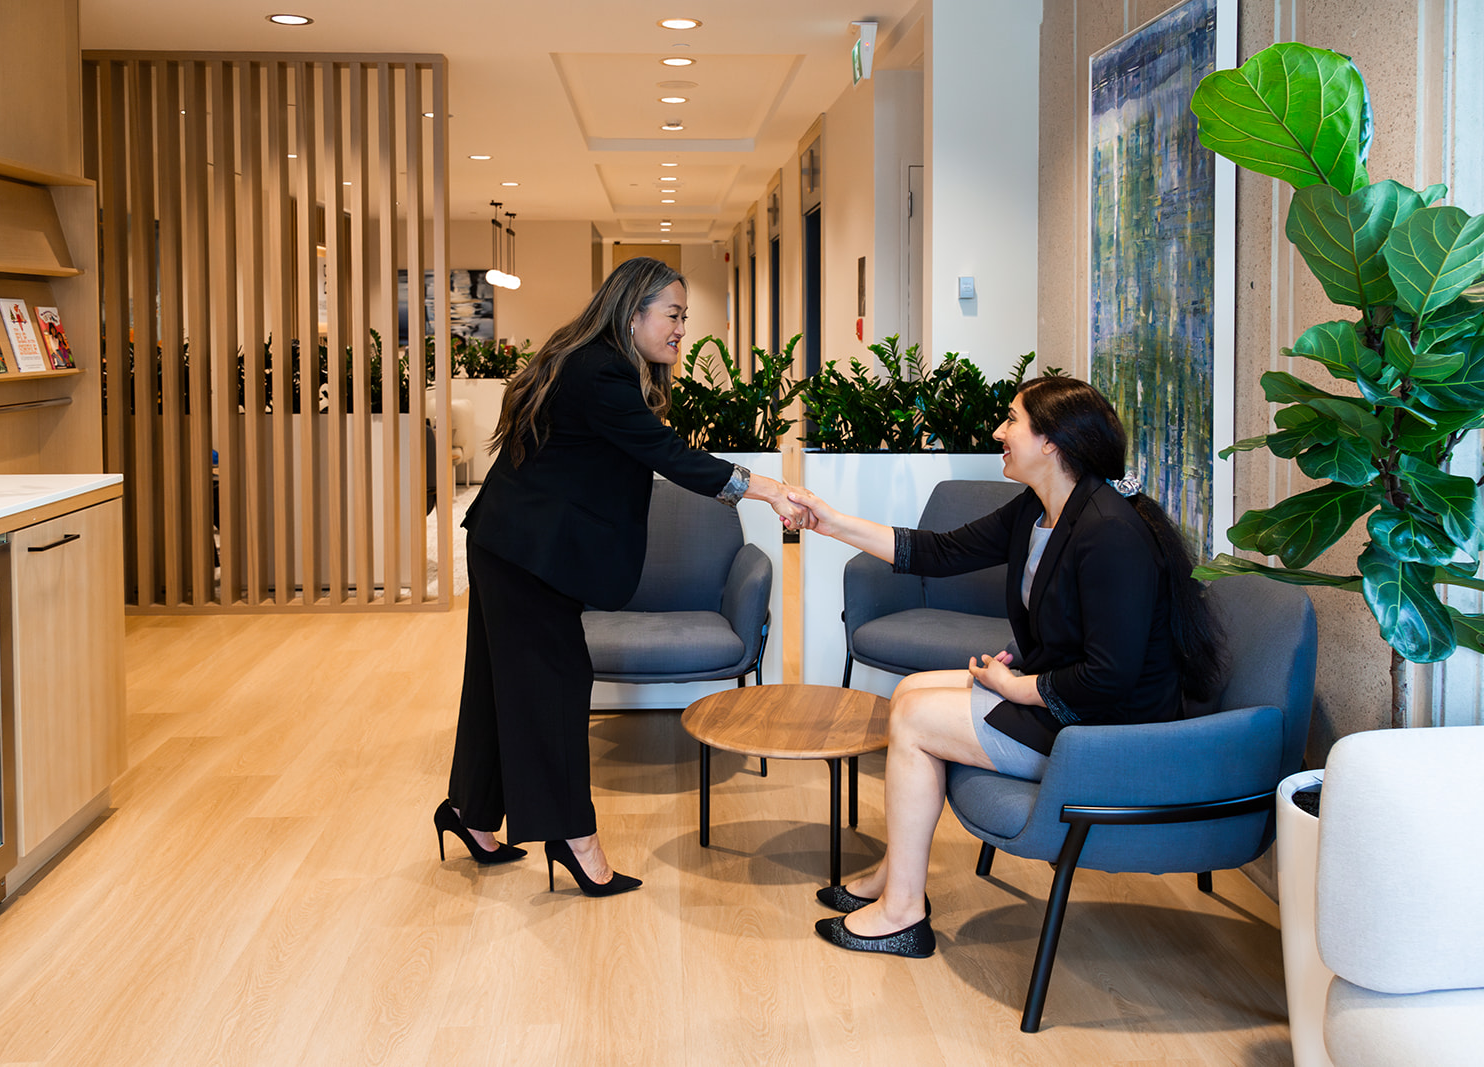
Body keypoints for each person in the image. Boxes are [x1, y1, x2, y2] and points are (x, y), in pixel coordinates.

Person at [786, 375, 1224, 957]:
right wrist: (828, 520)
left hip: (1107, 728)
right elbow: (939, 551)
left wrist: (1018, 688)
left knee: (914, 722)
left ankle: (902, 915)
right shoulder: (1039, 510)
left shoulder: (1109, 533)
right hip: (1074, 703)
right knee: (911, 691)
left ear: (1052, 442)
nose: (998, 432)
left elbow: (1110, 677)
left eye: (1012, 419)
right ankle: (896, 877)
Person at [437, 256, 810, 897]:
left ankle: (470, 815)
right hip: (525, 550)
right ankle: (574, 839)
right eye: (673, 315)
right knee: (555, 686)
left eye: (684, 318)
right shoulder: (601, 370)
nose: (681, 330)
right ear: (633, 313)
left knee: (500, 681)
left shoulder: (589, 359)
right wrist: (770, 488)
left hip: (512, 541)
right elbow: (666, 453)